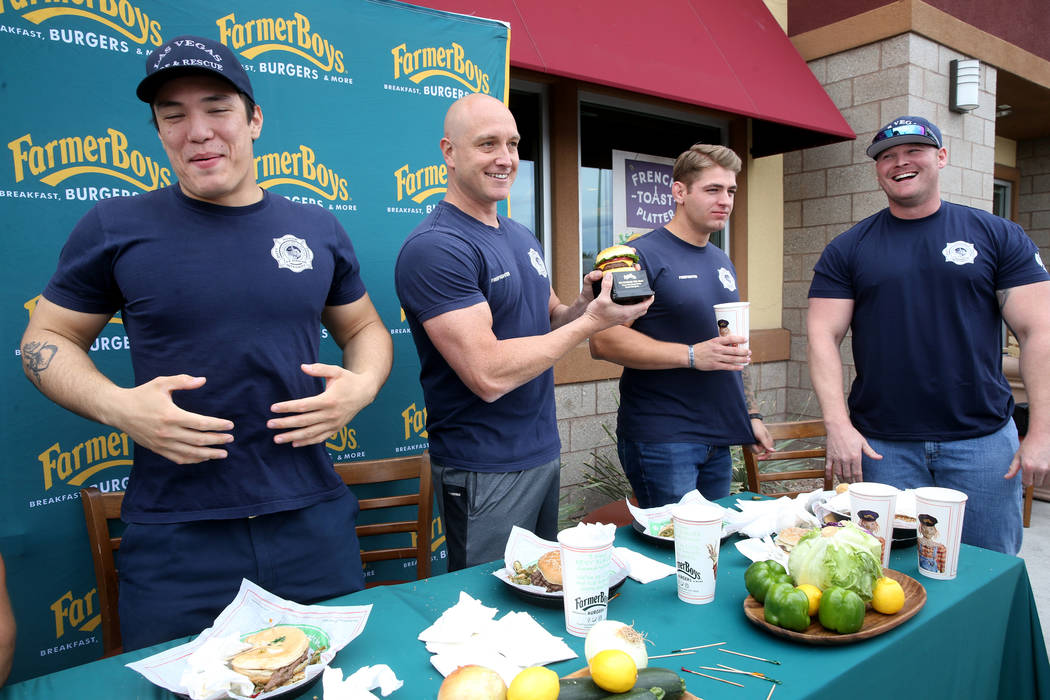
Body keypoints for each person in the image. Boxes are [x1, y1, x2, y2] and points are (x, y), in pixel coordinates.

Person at [19, 36, 392, 650]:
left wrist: (365, 383)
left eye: (217, 108)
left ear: (254, 119)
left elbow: (366, 329)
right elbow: (45, 338)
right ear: (160, 131)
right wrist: (119, 407)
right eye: (174, 114)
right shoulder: (115, 227)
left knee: (336, 683)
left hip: (310, 522)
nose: (198, 131)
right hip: (175, 540)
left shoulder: (317, 228)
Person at [394, 93, 652, 570]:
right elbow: (487, 374)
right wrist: (595, 324)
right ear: (449, 152)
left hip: (540, 452)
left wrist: (585, 304)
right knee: (486, 605)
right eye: (487, 144)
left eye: (512, 144)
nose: (505, 158)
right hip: (482, 465)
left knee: (538, 587)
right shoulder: (437, 247)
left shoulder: (519, 234)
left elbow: (550, 316)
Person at [807, 115, 1050, 555]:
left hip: (982, 445)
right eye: (887, 157)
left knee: (987, 571)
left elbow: (1039, 332)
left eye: (913, 151)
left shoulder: (996, 235)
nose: (900, 162)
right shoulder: (848, 247)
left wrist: (1043, 432)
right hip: (882, 447)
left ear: (940, 157)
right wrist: (838, 425)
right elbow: (823, 334)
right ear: (877, 169)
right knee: (884, 577)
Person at [589, 144, 773, 506]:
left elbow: (730, 347)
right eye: (712, 189)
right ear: (679, 192)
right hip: (664, 437)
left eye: (731, 191)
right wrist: (691, 355)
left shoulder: (722, 260)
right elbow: (603, 341)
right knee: (674, 552)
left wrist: (749, 414)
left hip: (718, 436)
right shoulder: (638, 256)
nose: (725, 200)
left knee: (709, 549)